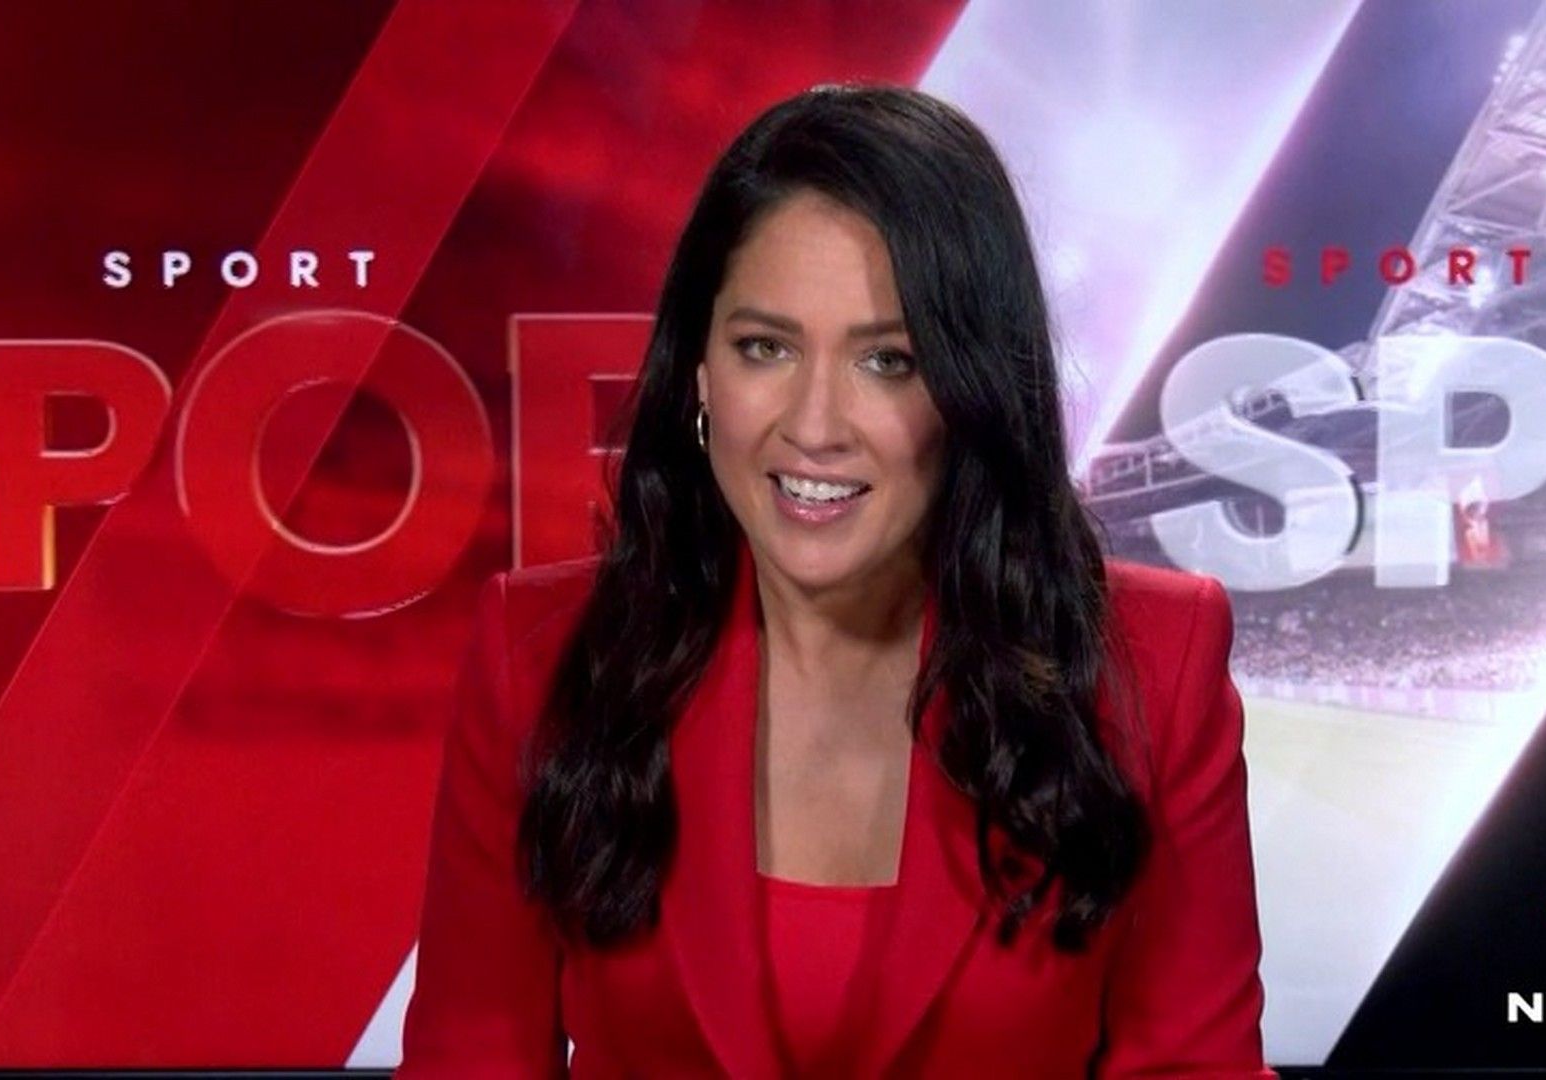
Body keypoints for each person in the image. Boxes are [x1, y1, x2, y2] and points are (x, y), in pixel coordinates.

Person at [397, 83, 1270, 1078]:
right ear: (699, 370)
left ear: (973, 387)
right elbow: (471, 1058)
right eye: (764, 348)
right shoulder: (543, 657)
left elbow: (1195, 1067)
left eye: (888, 361)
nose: (814, 425)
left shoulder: (1151, 666)